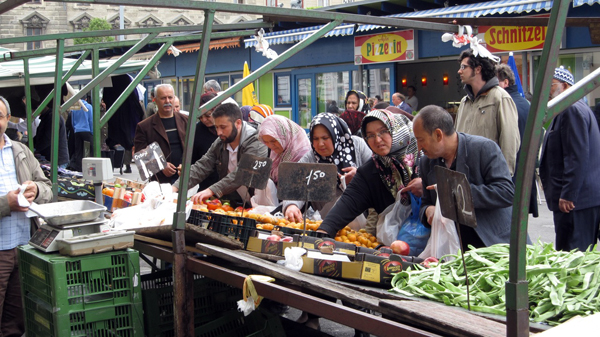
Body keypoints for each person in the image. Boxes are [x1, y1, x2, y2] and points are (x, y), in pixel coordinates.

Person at [414, 105, 514, 250]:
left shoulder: (483, 148)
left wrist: (457, 193)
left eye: (420, 139)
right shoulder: (426, 162)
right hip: (452, 248)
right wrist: (428, 210)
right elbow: (425, 203)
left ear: (438, 135)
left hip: (492, 242)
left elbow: (506, 192)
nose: (419, 147)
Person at [317, 109, 422, 238]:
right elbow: (349, 201)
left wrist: (427, 190)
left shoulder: (424, 158)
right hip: (394, 245)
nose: (377, 140)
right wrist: (324, 231)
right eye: (370, 135)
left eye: (383, 131)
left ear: (396, 130)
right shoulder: (372, 170)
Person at [0, 96, 52, 337]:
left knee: (15, 320)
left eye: (0, 116)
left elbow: (47, 187)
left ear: (8, 119)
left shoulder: (20, 150)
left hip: (23, 246)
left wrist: (37, 190)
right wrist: (5, 204)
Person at [539, 66, 600, 252]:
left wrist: (568, 194)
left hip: (576, 202)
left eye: (550, 86)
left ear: (564, 86)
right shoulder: (569, 109)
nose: (546, 92)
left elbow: (576, 156)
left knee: (573, 258)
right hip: (578, 201)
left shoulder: (571, 109)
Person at [284, 113, 373, 223]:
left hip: (361, 219)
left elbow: (375, 174)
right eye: (315, 139)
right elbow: (296, 185)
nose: (320, 144)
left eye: (325, 138)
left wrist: (359, 176)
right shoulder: (311, 157)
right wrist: (291, 205)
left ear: (336, 134)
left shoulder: (357, 145)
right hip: (325, 220)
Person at [173, 103, 268, 205]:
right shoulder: (220, 142)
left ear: (238, 123)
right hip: (236, 203)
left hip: (262, 202)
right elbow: (203, 165)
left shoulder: (257, 142)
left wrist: (211, 190)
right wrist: (174, 187)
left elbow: (243, 173)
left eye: (223, 127)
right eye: (216, 127)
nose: (219, 132)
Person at [455, 48, 520, 176]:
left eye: (464, 66)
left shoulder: (500, 97)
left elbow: (509, 141)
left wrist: (503, 176)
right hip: (464, 175)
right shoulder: (464, 101)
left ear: (478, 69)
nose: (459, 71)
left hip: (489, 175)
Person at [495, 63, 538, 217]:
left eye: (496, 82)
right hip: (525, 174)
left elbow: (509, 146)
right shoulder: (524, 104)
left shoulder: (507, 103)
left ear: (505, 82)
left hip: (512, 176)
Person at [134, 84, 188, 184]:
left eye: (170, 97)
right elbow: (139, 155)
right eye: (163, 98)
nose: (167, 101)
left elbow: (194, 148)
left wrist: (187, 165)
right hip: (160, 182)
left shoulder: (186, 121)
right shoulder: (144, 126)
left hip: (184, 179)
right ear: (155, 100)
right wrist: (160, 165)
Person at [257, 115, 311, 206]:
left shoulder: (301, 152)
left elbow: (299, 189)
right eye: (266, 142)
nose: (270, 145)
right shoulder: (276, 151)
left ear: (284, 135)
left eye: (273, 140)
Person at [191, 93, 220, 191]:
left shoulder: (230, 129)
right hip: (206, 185)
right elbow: (192, 158)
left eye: (208, 116)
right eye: (200, 117)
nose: (204, 120)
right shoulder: (197, 130)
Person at [34, 103, 70, 169]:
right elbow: (39, 137)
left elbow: (48, 138)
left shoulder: (52, 117)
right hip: (51, 158)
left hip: (57, 160)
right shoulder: (46, 117)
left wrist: (35, 148)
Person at [67, 90, 94, 172]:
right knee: (89, 151)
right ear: (85, 99)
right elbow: (91, 120)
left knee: (78, 151)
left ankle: (79, 168)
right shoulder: (89, 107)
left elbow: (72, 121)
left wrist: (75, 129)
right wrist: (92, 132)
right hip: (87, 131)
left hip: (77, 131)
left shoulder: (74, 108)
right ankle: (89, 169)